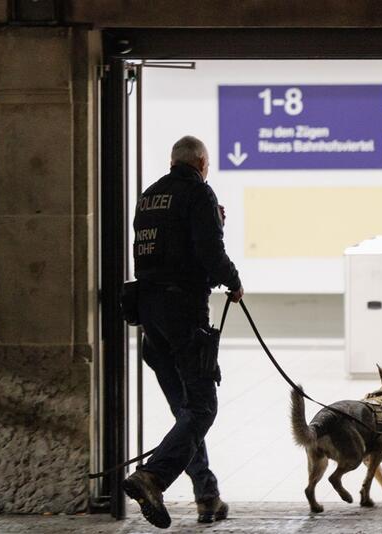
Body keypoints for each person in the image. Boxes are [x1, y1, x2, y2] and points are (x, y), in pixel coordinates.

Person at [123, 135, 243, 528]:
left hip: (150, 316)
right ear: (201, 163)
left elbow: (163, 251)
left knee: (186, 411)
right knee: (203, 407)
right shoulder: (199, 193)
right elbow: (208, 253)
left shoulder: (149, 197)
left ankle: (207, 495)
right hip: (183, 313)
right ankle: (152, 477)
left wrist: (211, 224)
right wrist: (233, 281)